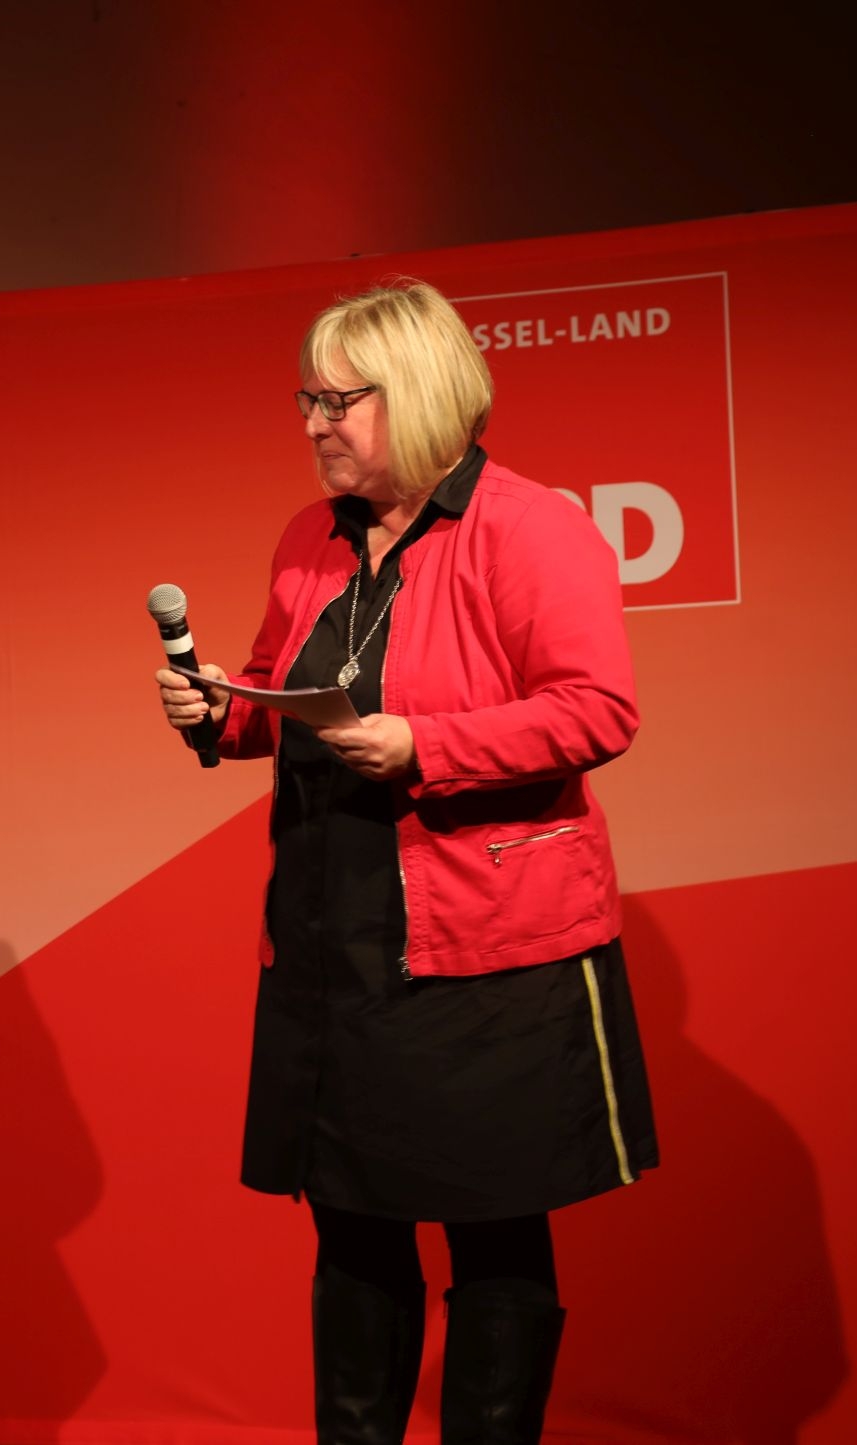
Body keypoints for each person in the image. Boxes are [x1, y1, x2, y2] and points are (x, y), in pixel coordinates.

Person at [157, 280, 657, 1444]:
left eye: (340, 399)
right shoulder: (309, 536)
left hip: (485, 949)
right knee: (351, 1222)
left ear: (422, 393)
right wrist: (218, 709)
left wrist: (428, 746)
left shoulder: (530, 528)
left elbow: (598, 708)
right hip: (332, 939)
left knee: (494, 1228)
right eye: (306, 398)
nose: (314, 421)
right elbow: (280, 695)